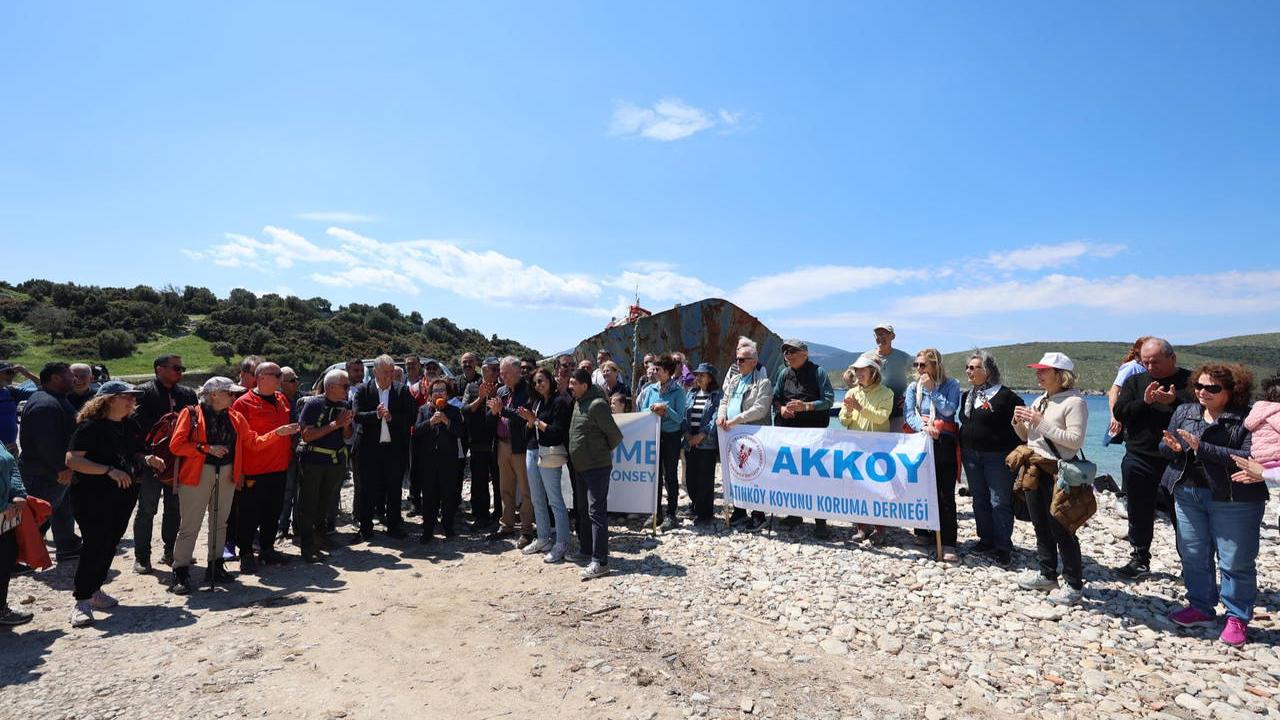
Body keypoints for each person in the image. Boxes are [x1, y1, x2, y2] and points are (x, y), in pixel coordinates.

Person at [167, 377, 299, 594]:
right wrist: (207, 448)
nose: (233, 396)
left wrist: (276, 434)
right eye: (229, 393)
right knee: (190, 525)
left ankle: (215, 565)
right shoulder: (191, 413)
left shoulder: (235, 416)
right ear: (213, 394)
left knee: (220, 523)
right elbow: (177, 445)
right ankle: (180, 571)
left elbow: (253, 442)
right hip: (197, 474)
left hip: (227, 472)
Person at [1160, 363, 1261, 647]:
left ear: (1232, 391)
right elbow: (1166, 447)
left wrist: (1201, 448)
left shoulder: (1248, 418)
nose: (1203, 392)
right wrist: (1172, 447)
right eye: (1199, 386)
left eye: (1212, 388)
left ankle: (1237, 617)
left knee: (1235, 560)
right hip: (1187, 492)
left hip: (1234, 497)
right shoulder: (1185, 411)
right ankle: (1200, 607)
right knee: (1193, 553)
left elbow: (1249, 458)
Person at [63, 381, 161, 627]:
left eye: (132, 398)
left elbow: (135, 452)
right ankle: (82, 600)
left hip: (124, 493)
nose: (131, 402)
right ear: (107, 400)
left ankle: (95, 590)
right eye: (125, 397)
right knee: (95, 543)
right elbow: (73, 460)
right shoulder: (90, 427)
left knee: (110, 543)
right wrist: (108, 470)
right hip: (92, 495)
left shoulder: (131, 425)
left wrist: (147, 458)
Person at [1112, 338, 1194, 580]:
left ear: (1172, 358)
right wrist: (1145, 402)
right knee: (1139, 509)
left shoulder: (1190, 382)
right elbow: (1121, 413)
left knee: (1182, 514)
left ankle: (1190, 564)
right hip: (1139, 456)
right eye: (1145, 362)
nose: (1149, 367)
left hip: (1179, 461)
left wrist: (1174, 403)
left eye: (1155, 362)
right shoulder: (1135, 381)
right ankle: (1139, 558)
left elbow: (1205, 415)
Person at [1012, 352, 1089, 606]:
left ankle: (1074, 584)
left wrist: (1040, 422)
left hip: (1058, 471)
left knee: (1062, 527)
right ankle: (1047, 574)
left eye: (1043, 370)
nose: (1038, 374)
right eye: (1038, 370)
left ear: (1060, 375)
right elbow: (1028, 438)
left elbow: (1074, 442)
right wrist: (1018, 423)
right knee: (1040, 525)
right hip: (1036, 468)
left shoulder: (1074, 402)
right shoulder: (1042, 399)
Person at [131, 354, 197, 574]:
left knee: (174, 508)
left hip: (179, 460)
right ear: (159, 369)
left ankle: (171, 552)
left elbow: (196, 425)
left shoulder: (187, 394)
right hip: (152, 460)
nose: (180, 372)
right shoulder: (144, 392)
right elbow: (135, 426)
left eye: (182, 368)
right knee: (147, 509)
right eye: (176, 368)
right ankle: (142, 557)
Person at [958, 350, 1025, 567]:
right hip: (971, 456)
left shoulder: (1007, 396)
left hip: (998, 457)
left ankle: (1003, 547)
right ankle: (986, 540)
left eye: (974, 367)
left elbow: (1021, 426)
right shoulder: (967, 396)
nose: (969, 371)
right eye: (968, 367)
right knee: (979, 498)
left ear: (987, 371)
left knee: (999, 501)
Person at [230, 361, 294, 572]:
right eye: (276, 375)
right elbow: (237, 441)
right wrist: (237, 471)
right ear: (261, 377)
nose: (280, 378)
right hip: (254, 469)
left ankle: (267, 549)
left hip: (279, 467)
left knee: (273, 511)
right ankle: (246, 553)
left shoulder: (282, 398)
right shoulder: (243, 403)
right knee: (249, 514)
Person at [771, 339, 835, 538]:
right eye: (785, 352)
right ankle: (794, 514)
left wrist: (806, 406)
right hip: (789, 432)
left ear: (804, 353)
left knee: (816, 476)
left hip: (813, 432)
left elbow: (829, 400)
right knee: (791, 474)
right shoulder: (783, 373)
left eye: (792, 351)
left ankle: (821, 522)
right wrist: (781, 408)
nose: (788, 355)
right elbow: (775, 397)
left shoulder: (819, 372)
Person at [18, 362, 80, 562]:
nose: (75, 379)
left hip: (53, 471)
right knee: (36, 517)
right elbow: (46, 441)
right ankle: (18, 557)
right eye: (70, 375)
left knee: (61, 509)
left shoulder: (54, 399)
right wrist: (61, 467)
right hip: (44, 473)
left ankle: (67, 545)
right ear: (55, 378)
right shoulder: (45, 404)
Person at [904, 349, 961, 561]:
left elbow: (949, 411)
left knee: (945, 492)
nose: (919, 369)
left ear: (935, 366)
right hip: (921, 439)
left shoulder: (951, 385)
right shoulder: (913, 387)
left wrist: (933, 390)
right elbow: (909, 413)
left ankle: (948, 541)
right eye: (916, 365)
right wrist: (923, 427)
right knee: (921, 487)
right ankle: (923, 531)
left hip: (944, 441)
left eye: (923, 365)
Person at [352, 355, 415, 541]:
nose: (389, 376)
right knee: (367, 489)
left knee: (394, 489)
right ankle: (365, 528)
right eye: (385, 372)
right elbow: (357, 415)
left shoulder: (402, 390)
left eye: (391, 372)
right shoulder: (363, 390)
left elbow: (411, 416)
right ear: (375, 372)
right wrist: (376, 415)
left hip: (393, 450)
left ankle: (394, 526)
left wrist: (391, 417)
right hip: (369, 450)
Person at [568, 368, 623, 580]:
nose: (570, 386)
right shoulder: (578, 402)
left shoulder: (597, 405)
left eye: (574, 383)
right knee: (583, 510)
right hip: (580, 467)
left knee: (596, 512)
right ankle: (586, 551)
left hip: (596, 468)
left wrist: (598, 452)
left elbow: (615, 436)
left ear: (584, 385)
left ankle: (601, 561)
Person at [296, 370, 354, 563]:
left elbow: (347, 437)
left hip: (334, 462)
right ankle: (306, 544)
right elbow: (306, 435)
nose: (348, 389)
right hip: (314, 461)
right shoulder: (314, 404)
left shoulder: (345, 405)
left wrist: (345, 425)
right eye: (344, 386)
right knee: (308, 503)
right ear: (330, 387)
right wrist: (335, 424)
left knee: (326, 502)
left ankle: (320, 538)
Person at [515, 368, 573, 561]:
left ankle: (562, 542)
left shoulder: (560, 401)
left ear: (550, 380)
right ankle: (543, 537)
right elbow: (527, 433)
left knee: (555, 500)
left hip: (550, 453)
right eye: (535, 383)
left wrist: (535, 421)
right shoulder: (537, 402)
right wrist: (530, 423)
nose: (538, 385)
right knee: (537, 499)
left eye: (541, 381)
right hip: (533, 451)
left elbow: (557, 432)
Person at [838, 352, 894, 544]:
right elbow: (843, 420)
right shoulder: (851, 393)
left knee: (878, 488)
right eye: (857, 370)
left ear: (873, 371)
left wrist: (860, 408)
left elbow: (881, 417)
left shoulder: (887, 393)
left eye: (862, 369)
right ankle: (861, 527)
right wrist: (848, 412)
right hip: (857, 447)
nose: (858, 373)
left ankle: (880, 528)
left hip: (878, 448)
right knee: (858, 486)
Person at [718, 339, 773, 530]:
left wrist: (736, 419)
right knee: (736, 473)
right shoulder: (734, 380)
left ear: (753, 361)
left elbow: (760, 409)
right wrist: (721, 416)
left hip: (753, 435)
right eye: (737, 360)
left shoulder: (763, 383)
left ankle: (759, 515)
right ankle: (739, 510)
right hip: (733, 435)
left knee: (755, 475)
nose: (738, 363)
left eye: (742, 360)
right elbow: (724, 400)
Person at [637, 354, 690, 530]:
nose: (654, 372)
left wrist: (666, 410)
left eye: (658, 369)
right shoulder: (651, 389)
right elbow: (643, 409)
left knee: (670, 476)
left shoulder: (678, 392)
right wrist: (653, 409)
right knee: (655, 476)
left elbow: (679, 418)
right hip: (654, 436)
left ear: (667, 371)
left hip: (671, 437)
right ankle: (656, 513)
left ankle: (671, 514)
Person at [486, 356, 535, 547]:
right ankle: (506, 524)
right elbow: (492, 415)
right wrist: (492, 411)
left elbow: (522, 416)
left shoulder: (528, 390)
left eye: (505, 373)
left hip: (520, 446)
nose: (502, 376)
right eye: (501, 372)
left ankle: (526, 529)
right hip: (502, 444)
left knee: (525, 490)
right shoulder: (501, 390)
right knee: (504, 487)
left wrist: (502, 410)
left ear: (517, 372)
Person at [413, 378, 465, 543]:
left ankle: (448, 526)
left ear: (448, 394)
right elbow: (416, 431)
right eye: (435, 390)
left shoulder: (454, 411)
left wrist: (446, 421)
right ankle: (428, 529)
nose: (439, 393)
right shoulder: (423, 410)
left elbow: (461, 432)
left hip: (448, 460)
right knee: (429, 496)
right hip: (428, 461)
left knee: (448, 495)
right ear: (430, 394)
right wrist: (431, 421)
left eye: (442, 390)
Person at [462, 357, 501, 530]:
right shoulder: (471, 387)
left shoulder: (503, 388)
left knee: (500, 481)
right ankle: (480, 516)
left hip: (498, 442)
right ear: (483, 370)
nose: (495, 372)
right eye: (491, 369)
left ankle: (499, 514)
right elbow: (464, 410)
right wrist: (480, 398)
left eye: (496, 369)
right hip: (478, 441)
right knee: (479, 481)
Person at [684, 363, 722, 525]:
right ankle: (696, 505)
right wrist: (687, 435)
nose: (698, 378)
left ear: (710, 378)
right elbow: (684, 415)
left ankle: (705, 513)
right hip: (689, 442)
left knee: (705, 480)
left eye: (702, 375)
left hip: (707, 444)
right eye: (697, 375)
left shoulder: (716, 396)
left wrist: (702, 435)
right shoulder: (691, 393)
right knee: (691, 478)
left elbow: (715, 417)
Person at [0, 442, 33, 626]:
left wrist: (17, 492)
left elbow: (11, 465)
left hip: (5, 515)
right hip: (3, 510)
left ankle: (1, 609)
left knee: (6, 557)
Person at [276, 366, 305, 540]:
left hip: (302, 451)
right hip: (284, 452)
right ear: (282, 383)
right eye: (292, 380)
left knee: (301, 490)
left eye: (297, 379)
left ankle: (298, 525)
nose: (296, 383)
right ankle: (282, 525)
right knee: (286, 491)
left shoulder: (303, 399)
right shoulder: (276, 401)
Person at [1106, 337, 1152, 443]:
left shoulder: (1147, 368)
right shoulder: (1132, 367)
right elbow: (1114, 391)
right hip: (1131, 416)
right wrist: (1115, 417)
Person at [872, 324, 913, 430]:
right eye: (877, 335)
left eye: (883, 334)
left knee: (897, 442)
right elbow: (850, 376)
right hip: (874, 408)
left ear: (893, 336)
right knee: (874, 443)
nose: (880, 337)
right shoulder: (867, 357)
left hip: (897, 407)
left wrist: (909, 397)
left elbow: (918, 375)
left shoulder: (903, 357)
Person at [1242, 373, 1280, 471]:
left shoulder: (1258, 409)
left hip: (1258, 459)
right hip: (1275, 458)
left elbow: (1247, 424)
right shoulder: (1277, 412)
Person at [1, 361, 40, 455]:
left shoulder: (12, 392)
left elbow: (43, 388)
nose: (12, 376)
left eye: (13, 373)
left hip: (10, 447)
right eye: (8, 372)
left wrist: (26, 373)